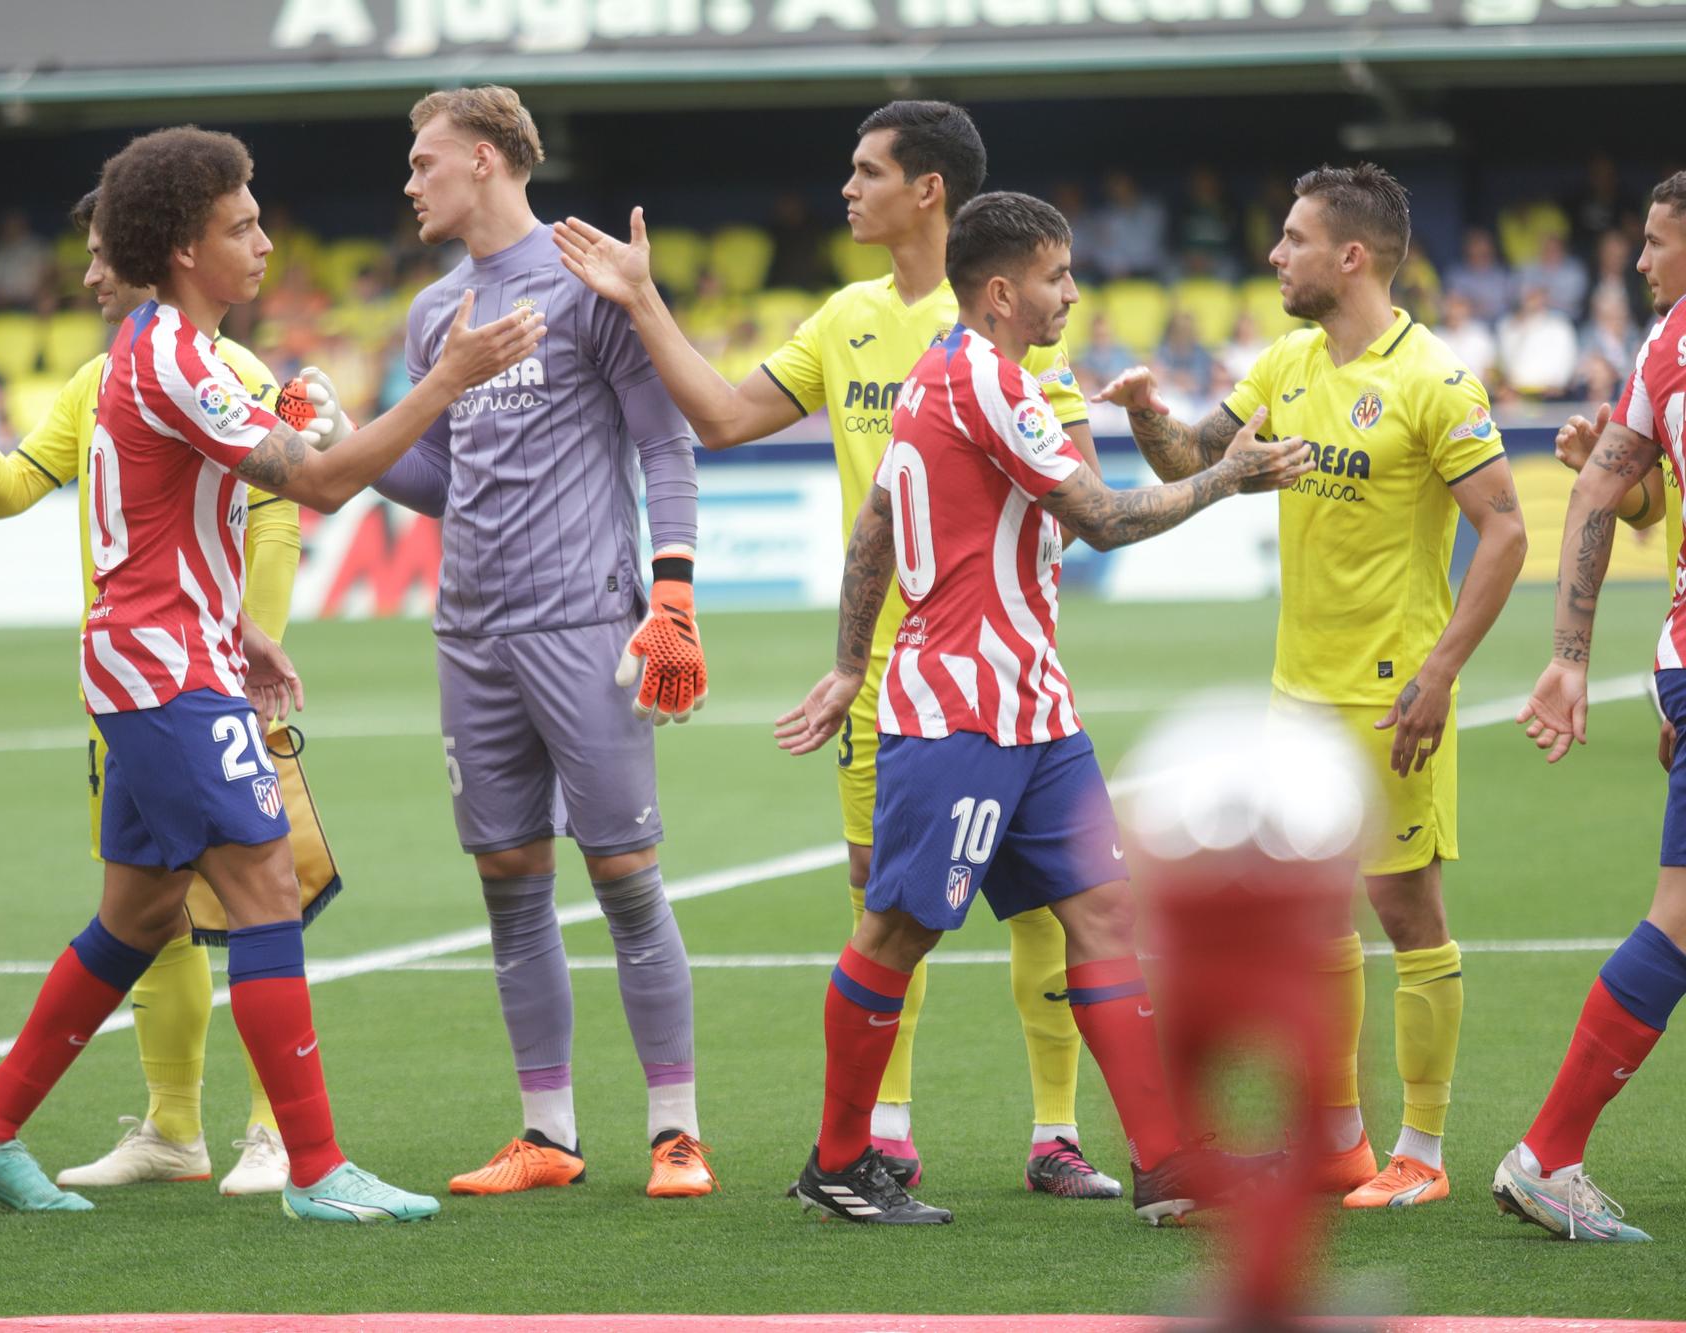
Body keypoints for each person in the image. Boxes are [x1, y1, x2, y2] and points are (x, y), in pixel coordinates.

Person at [0, 125, 544, 1220]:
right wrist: (444, 376)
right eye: (241, 225)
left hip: (160, 657)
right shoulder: (173, 357)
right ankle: (311, 1168)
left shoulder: (169, 355)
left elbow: (194, 503)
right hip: (166, 675)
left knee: (135, 916)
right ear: (180, 248)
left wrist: (242, 625)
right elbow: (313, 486)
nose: (264, 240)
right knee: (264, 887)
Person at [555, 100, 1115, 1196]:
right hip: (887, 683)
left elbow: (1075, 493)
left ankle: (1055, 1132)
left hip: (1001, 677)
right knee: (881, 907)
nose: (846, 188)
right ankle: (883, 1133)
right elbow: (717, 416)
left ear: (929, 191)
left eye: (867, 172)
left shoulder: (1009, 327)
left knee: (1055, 905)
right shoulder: (845, 317)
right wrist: (639, 298)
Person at [773, 190, 1312, 1224]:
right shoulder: (988, 383)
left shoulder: (941, 372)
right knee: (895, 929)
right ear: (1000, 289)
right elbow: (1102, 520)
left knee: (1103, 911)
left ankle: (1166, 1159)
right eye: (1057, 276)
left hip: (1034, 712)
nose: (1071, 291)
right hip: (963, 713)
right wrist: (1229, 478)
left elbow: (876, 523)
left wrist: (848, 662)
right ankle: (837, 1161)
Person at [1096, 163, 1528, 1210]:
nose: (1274, 254)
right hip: (1295, 690)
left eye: (1292, 238)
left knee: (1402, 907)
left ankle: (1420, 1153)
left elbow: (1505, 529)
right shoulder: (1285, 360)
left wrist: (1437, 673)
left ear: (1351, 255)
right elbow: (1199, 462)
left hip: (1391, 691)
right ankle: (1340, 1146)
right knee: (1313, 917)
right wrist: (1151, 412)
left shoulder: (1433, 378)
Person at [0, 186, 342, 1196]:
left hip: (180, 664)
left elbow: (262, 519)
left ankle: (255, 1135)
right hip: (163, 668)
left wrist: (250, 634)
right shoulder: (142, 366)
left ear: (154, 251)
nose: (90, 271)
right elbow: (16, 488)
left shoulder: (202, 366)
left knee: (160, 907)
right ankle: (235, 1141)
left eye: (103, 252)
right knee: (232, 897)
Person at [376, 85, 717, 1200]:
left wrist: (671, 594)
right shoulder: (435, 316)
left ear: (482, 160)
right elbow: (438, 478)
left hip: (583, 621)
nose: (411, 180)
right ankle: (547, 1133)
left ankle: (675, 1132)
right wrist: (341, 437)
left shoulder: (586, 283)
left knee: (622, 874)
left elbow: (666, 448)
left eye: (425, 161)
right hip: (469, 633)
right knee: (509, 881)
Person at [1501, 170, 1686, 1243]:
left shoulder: (1662, 351)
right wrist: (1568, 659)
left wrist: (1578, 658)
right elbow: (1606, 491)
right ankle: (1544, 1152)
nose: (1640, 263)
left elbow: (1621, 492)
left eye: (1657, 244)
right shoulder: (1660, 345)